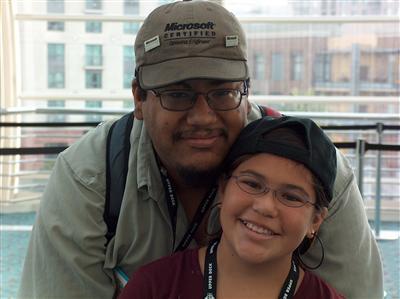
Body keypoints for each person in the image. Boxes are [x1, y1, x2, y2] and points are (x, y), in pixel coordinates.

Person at [18, 1, 383, 298]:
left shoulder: (317, 169)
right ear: (139, 99)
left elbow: (357, 292)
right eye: (178, 94)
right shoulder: (89, 176)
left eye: (222, 92)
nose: (203, 117)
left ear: (246, 92)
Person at [118, 116, 345, 299]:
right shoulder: (154, 287)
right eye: (252, 184)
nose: (265, 206)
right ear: (224, 189)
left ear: (316, 220)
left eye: (291, 197)